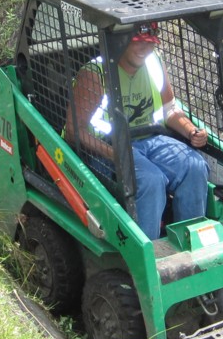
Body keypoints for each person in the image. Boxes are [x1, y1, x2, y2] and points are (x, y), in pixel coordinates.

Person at [65, 22, 209, 239]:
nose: (145, 49)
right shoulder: (96, 74)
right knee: (150, 180)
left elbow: (169, 109)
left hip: (152, 138)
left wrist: (191, 131)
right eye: (138, 42)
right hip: (107, 147)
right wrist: (115, 155)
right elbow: (74, 131)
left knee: (195, 166)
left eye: (149, 43)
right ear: (120, 41)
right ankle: (149, 254)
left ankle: (191, 241)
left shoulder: (154, 63)